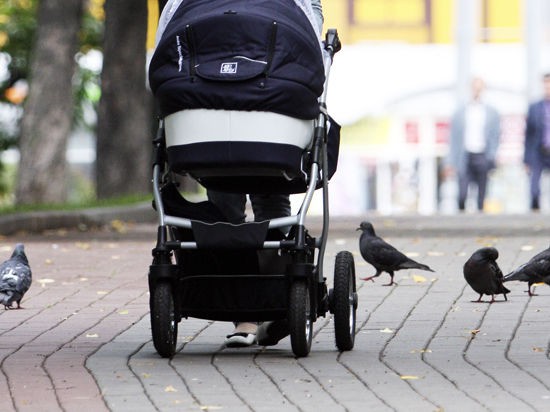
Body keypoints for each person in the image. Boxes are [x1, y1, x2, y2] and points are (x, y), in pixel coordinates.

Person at [154, 0, 325, 348]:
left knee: (227, 209)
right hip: (274, 114)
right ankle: (267, 302)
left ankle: (255, 312)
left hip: (206, 117)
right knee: (271, 204)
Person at [445, 77, 501, 212]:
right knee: (462, 192)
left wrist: (493, 155)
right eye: (474, 88)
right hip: (465, 155)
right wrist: (450, 162)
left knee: (482, 192)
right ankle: (461, 220)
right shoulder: (460, 112)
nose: (477, 91)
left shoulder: (491, 112)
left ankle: (480, 223)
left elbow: (496, 136)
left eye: (479, 88)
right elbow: (453, 138)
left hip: (482, 155)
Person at [524, 73, 550, 211]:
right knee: (534, 189)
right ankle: (534, 215)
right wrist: (526, 160)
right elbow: (528, 135)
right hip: (538, 152)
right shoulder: (534, 107)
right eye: (546, 83)